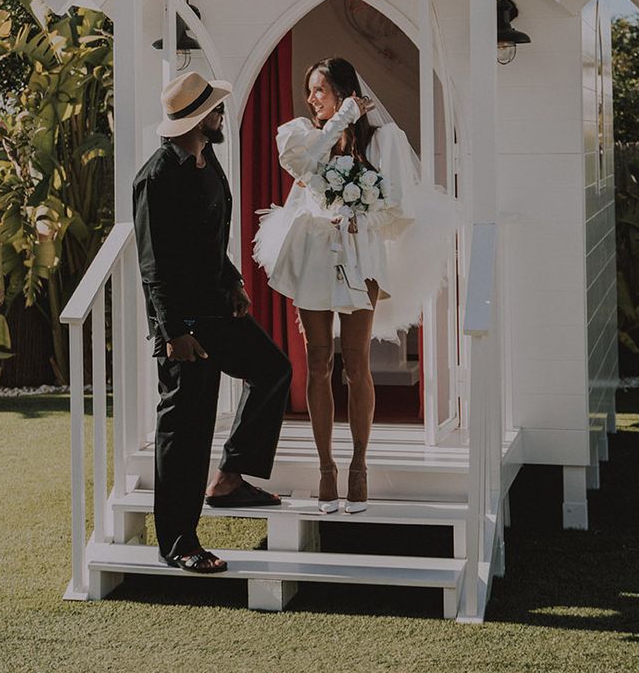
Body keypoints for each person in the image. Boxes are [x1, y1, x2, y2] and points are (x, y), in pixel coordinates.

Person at [133, 71, 292, 574]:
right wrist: (172, 334)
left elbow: (211, 239)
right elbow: (153, 266)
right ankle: (179, 544)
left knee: (272, 370)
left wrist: (234, 282)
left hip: (217, 307)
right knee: (186, 428)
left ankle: (229, 478)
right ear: (201, 119)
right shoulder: (155, 177)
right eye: (217, 110)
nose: (223, 116)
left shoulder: (207, 161)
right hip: (184, 325)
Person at [254, 57, 423, 515]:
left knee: (357, 362)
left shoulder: (384, 139)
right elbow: (304, 167)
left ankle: (359, 466)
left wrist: (359, 212)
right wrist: (341, 118)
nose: (311, 99)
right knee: (318, 362)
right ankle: (325, 467)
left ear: (344, 90)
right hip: (314, 255)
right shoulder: (303, 135)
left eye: (320, 91)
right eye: (310, 91)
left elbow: (395, 205)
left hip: (359, 255)